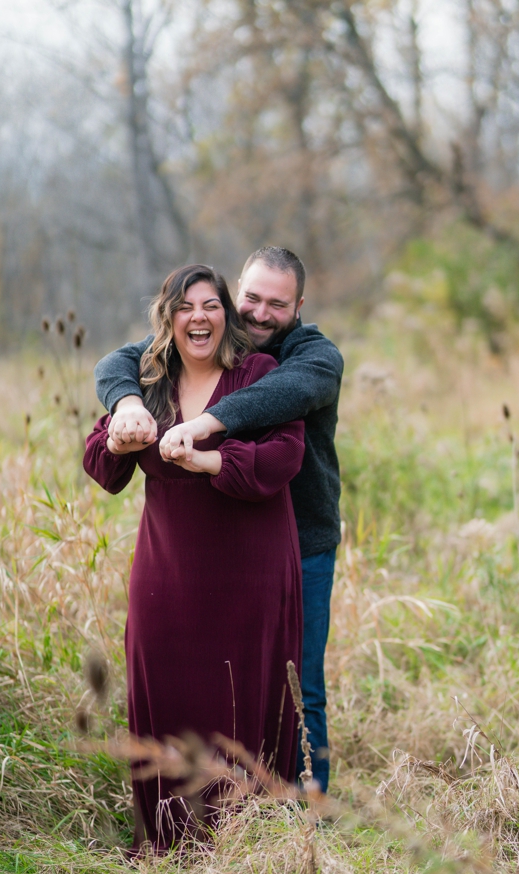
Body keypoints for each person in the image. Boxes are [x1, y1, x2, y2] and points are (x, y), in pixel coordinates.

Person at [96, 247, 343, 792]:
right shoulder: (199, 341)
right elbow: (121, 360)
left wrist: (204, 426)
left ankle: (308, 811)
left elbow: (280, 396)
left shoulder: (310, 358)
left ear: (299, 306)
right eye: (251, 298)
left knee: (299, 684)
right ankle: (208, 803)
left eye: (276, 304)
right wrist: (125, 404)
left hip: (302, 539)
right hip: (223, 545)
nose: (259, 313)